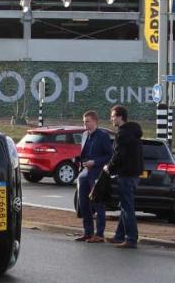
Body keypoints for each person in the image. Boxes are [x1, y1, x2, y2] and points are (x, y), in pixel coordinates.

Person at [104, 105, 144, 249]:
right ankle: (119, 236)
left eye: (113, 116)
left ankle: (131, 238)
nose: (111, 118)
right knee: (124, 206)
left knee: (127, 207)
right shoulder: (134, 132)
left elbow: (118, 155)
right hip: (134, 174)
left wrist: (109, 167)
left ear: (120, 117)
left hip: (126, 174)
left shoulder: (122, 134)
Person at [74, 110, 113, 243]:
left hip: (97, 172)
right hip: (84, 172)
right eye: (84, 122)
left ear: (95, 121)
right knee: (83, 204)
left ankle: (100, 234)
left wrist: (95, 162)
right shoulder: (85, 135)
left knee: (98, 203)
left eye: (88, 122)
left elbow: (109, 155)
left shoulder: (102, 136)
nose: (85, 124)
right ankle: (88, 232)